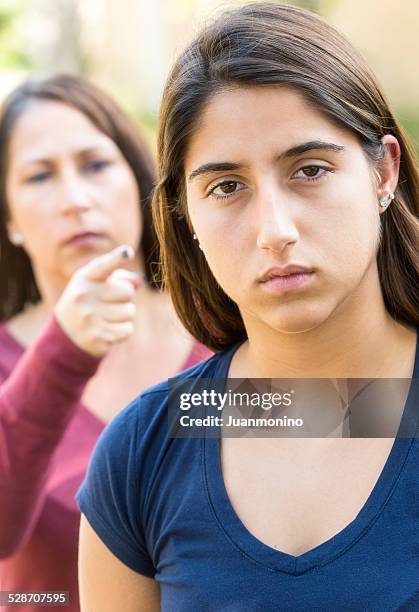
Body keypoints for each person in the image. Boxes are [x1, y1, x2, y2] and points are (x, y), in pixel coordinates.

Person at [76, 3, 419, 611]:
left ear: (382, 171)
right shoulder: (144, 452)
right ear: (186, 212)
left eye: (309, 169)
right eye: (226, 187)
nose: (274, 230)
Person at [0, 74, 211, 612]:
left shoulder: (223, 329)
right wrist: (62, 353)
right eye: (39, 176)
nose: (75, 199)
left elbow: (354, 427)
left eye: (96, 165)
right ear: (9, 219)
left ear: (139, 181)